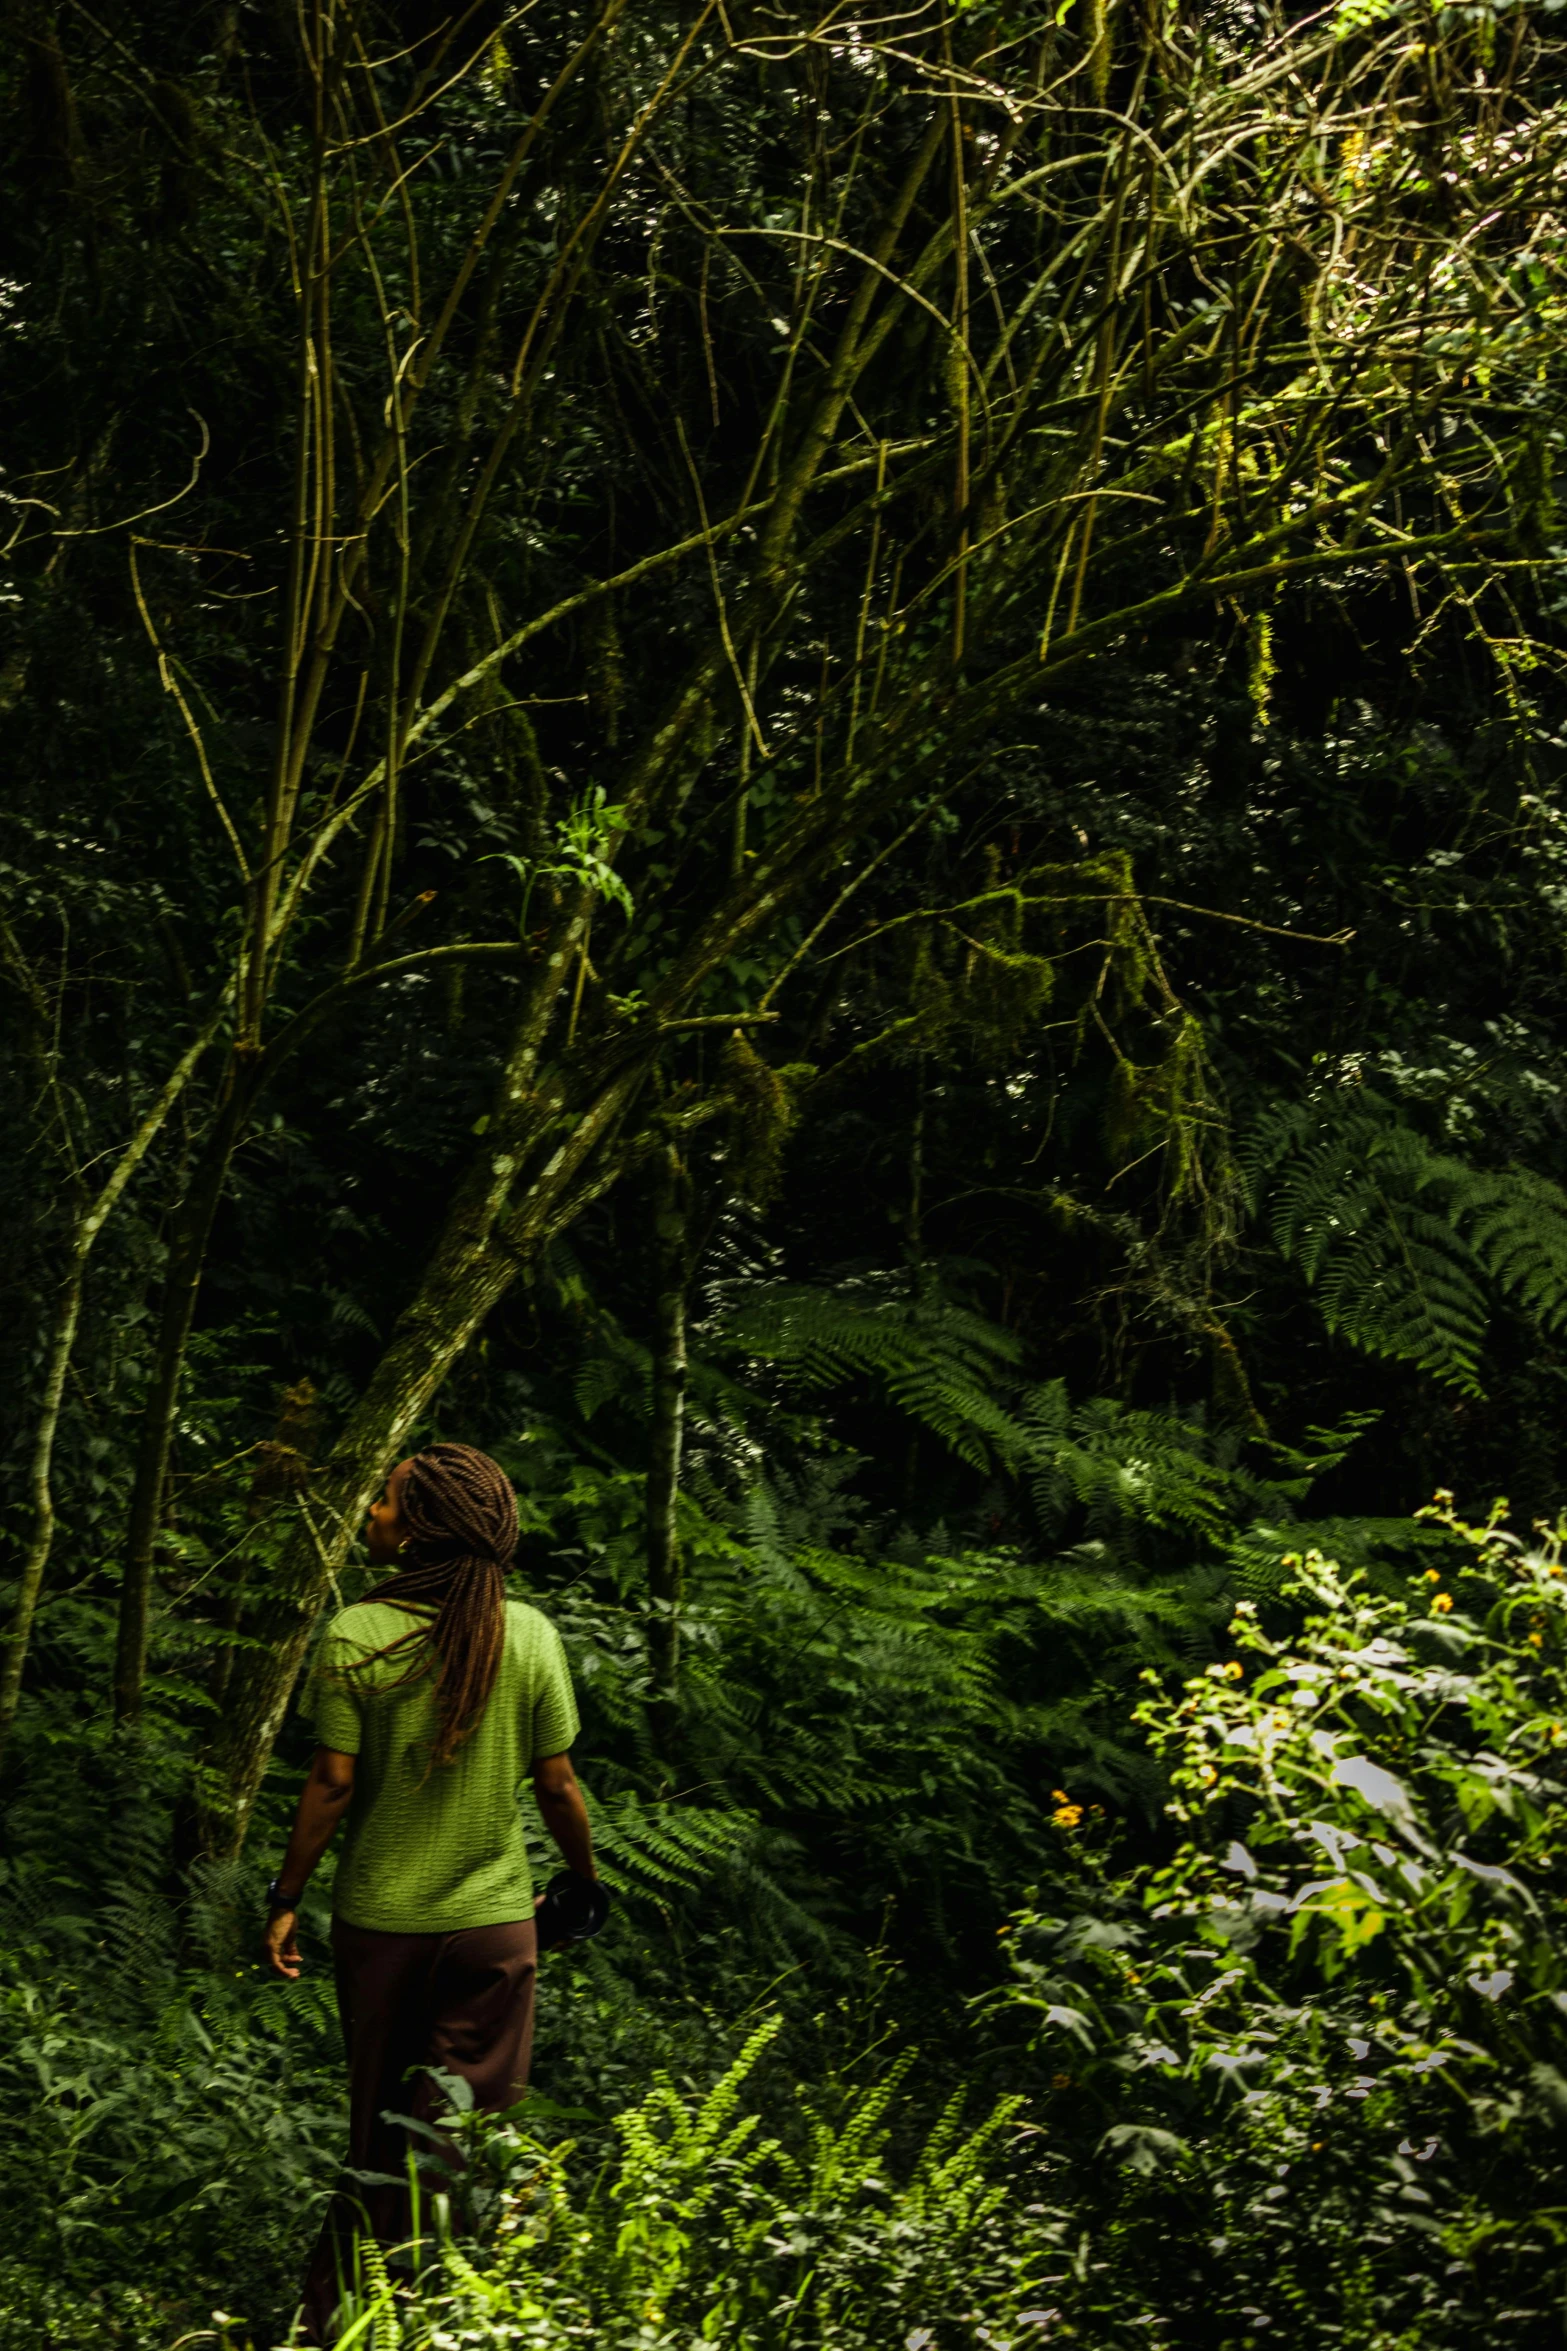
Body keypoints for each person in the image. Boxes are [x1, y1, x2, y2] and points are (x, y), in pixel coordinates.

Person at [260, 1442, 595, 2343]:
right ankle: (441, 2312)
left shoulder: (355, 1634)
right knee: (460, 2139)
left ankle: (336, 2315)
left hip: (383, 1927)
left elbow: (331, 1782)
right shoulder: (528, 1634)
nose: (371, 1509)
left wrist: (285, 1894)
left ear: (421, 1527)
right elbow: (558, 1787)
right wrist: (584, 1882)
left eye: (386, 1499)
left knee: (378, 2133)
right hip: (494, 1929)